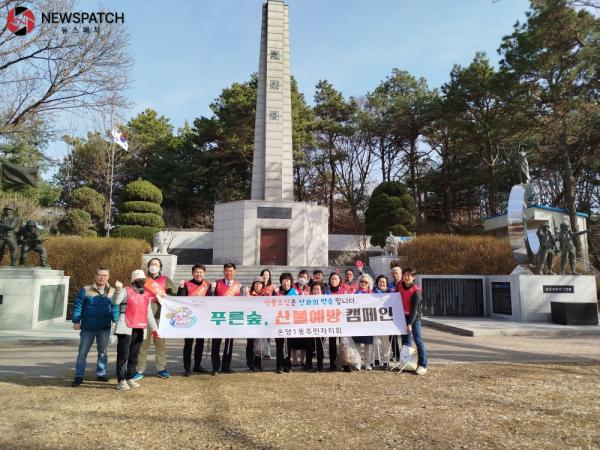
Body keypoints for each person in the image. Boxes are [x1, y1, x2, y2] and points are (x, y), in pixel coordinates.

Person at [71, 268, 120, 387]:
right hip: (88, 327)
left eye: (104, 275)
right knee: (82, 353)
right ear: (95, 276)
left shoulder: (113, 291)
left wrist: (116, 321)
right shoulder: (85, 290)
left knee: (103, 353)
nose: (102, 277)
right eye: (99, 275)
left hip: (104, 328)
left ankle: (101, 374)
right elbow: (78, 305)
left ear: (108, 277)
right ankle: (79, 376)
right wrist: (76, 320)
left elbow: (115, 307)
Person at [112, 270, 159, 390]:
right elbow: (115, 302)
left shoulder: (146, 295)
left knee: (134, 355)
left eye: (144, 280)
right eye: (139, 280)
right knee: (123, 355)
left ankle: (130, 377)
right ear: (133, 281)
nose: (142, 282)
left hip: (140, 327)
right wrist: (117, 291)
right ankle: (121, 380)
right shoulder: (125, 291)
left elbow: (149, 313)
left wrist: (155, 329)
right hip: (125, 326)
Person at [133, 258, 175, 381]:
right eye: (151, 264)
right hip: (143, 316)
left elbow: (174, 295)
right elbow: (133, 294)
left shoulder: (165, 280)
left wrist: (165, 296)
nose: (153, 266)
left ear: (160, 267)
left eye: (156, 264)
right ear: (148, 266)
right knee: (143, 345)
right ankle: (140, 369)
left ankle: (161, 369)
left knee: (160, 344)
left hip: (160, 317)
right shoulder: (142, 279)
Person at [177, 264, 212, 376]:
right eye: (196, 272)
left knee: (200, 343)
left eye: (201, 272)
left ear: (204, 273)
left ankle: (197, 365)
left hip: (202, 319)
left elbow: (212, 301)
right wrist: (181, 288)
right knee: (188, 344)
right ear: (192, 273)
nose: (198, 274)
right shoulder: (186, 284)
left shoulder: (208, 285)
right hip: (189, 319)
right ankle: (187, 368)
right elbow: (180, 300)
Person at [210, 263, 243, 375]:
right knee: (216, 343)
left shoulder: (239, 286)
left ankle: (226, 366)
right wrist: (212, 290)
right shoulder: (217, 284)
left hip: (231, 318)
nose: (228, 272)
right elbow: (210, 300)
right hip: (218, 317)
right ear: (223, 272)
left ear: (235, 272)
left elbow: (242, 302)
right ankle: (215, 367)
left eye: (230, 270)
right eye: (226, 270)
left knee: (229, 344)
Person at [399, 268, 427, 375]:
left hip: (415, 318)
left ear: (413, 277)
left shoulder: (416, 290)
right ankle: (407, 363)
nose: (406, 278)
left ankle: (422, 365)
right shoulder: (401, 285)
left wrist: (410, 323)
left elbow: (415, 309)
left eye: (409, 276)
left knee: (418, 340)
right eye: (405, 275)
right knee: (406, 340)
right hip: (404, 316)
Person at [325, 272, 348, 371]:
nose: (334, 281)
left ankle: (346, 364)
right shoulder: (326, 292)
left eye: (336, 279)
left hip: (342, 320)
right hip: (330, 320)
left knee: (344, 343)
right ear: (329, 280)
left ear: (340, 281)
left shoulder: (344, 291)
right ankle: (332, 364)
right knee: (332, 343)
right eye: (332, 279)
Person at [275, 272, 298, 374]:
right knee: (279, 345)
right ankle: (279, 365)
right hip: (278, 322)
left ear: (291, 282)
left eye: (288, 280)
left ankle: (287, 365)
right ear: (281, 281)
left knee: (288, 345)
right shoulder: (276, 292)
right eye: (284, 280)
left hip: (290, 322)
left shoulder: (295, 293)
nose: (286, 282)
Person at [352, 274, 373, 371]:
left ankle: (367, 363)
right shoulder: (354, 294)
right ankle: (358, 362)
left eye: (366, 282)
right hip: (357, 322)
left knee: (368, 344)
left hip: (368, 323)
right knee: (357, 344)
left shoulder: (373, 295)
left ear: (369, 284)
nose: (363, 283)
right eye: (362, 281)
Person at [305, 281, 326, 371]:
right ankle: (308, 364)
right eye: (314, 289)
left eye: (318, 289)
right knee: (309, 345)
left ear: (321, 291)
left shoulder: (326, 300)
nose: (316, 291)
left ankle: (319, 365)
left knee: (319, 345)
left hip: (322, 326)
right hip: (309, 325)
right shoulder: (307, 300)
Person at [373, 275, 392, 370]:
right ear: (377, 283)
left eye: (384, 282)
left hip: (386, 322)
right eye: (380, 281)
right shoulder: (372, 293)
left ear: (387, 283)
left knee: (385, 342)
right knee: (376, 341)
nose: (382, 283)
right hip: (375, 320)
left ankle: (386, 361)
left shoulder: (391, 294)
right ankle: (377, 359)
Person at [246, 277, 264, 372]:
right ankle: (250, 364)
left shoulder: (265, 295)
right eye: (256, 283)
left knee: (259, 345)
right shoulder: (249, 294)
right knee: (250, 344)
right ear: (253, 285)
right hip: (251, 322)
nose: (258, 285)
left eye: (260, 284)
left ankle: (258, 364)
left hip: (261, 324)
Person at [258, 269, 274, 359]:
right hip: (259, 313)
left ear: (269, 276)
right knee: (261, 333)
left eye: (267, 275)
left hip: (269, 313)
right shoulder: (258, 285)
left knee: (268, 333)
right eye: (264, 274)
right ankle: (260, 351)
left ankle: (267, 352)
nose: (265, 276)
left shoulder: (272, 287)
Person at [389, 266, 403, 359]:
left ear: (401, 274)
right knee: (392, 335)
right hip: (392, 313)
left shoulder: (404, 284)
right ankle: (396, 354)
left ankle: (404, 355)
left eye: (397, 273)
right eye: (393, 273)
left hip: (403, 313)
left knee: (404, 336)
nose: (395, 275)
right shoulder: (389, 285)